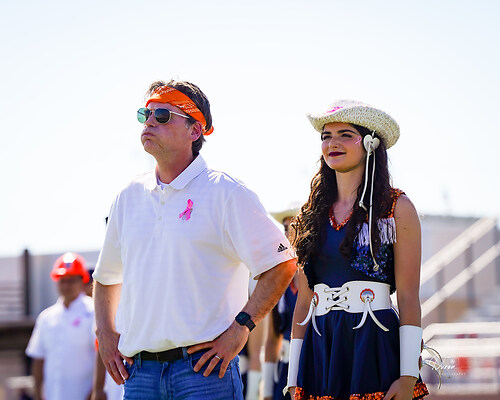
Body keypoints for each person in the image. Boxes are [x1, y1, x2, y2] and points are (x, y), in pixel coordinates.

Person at [93, 79, 297, 400]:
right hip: (139, 375)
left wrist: (241, 328)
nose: (149, 121)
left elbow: (282, 264)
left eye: (163, 115)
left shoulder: (227, 193)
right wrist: (105, 335)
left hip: (205, 372)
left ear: (195, 130)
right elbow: (106, 278)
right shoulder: (127, 196)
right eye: (145, 114)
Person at [286, 100, 429, 399]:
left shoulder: (396, 207)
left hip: (373, 343)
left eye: (345, 135)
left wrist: (408, 376)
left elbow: (407, 296)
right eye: (326, 136)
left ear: (370, 144)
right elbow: (303, 303)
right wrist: (292, 378)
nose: (333, 143)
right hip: (321, 347)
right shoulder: (309, 214)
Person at [26, 252, 95, 400]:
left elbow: (101, 357)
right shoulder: (46, 317)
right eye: (63, 280)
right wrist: (37, 394)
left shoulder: (94, 313)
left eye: (72, 280)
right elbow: (38, 358)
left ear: (82, 281)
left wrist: (94, 393)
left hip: (83, 396)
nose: (66, 285)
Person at [263, 210, 299, 400]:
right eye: (285, 228)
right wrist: (267, 392)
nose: (288, 234)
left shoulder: (320, 276)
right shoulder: (279, 279)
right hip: (284, 371)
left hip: (312, 367)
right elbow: (272, 338)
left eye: (294, 227)